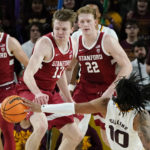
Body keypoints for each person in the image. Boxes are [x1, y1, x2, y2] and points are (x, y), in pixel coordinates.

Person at [23, 75, 150, 150]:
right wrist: (41, 108)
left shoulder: (106, 105)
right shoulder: (140, 115)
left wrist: (42, 108)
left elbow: (73, 107)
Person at [16, 9, 83, 150]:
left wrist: (68, 98)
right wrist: (37, 93)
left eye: (64, 29)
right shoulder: (45, 44)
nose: (59, 32)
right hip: (29, 89)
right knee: (41, 127)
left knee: (75, 136)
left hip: (49, 93)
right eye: (56, 28)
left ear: (72, 29)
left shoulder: (74, 45)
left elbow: (59, 73)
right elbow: (28, 74)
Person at [66, 6, 132, 147]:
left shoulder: (107, 39)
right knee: (72, 129)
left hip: (105, 89)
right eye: (81, 21)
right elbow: (69, 67)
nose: (85, 25)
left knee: (108, 138)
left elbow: (127, 66)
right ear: (77, 23)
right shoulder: (76, 40)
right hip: (84, 88)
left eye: (88, 21)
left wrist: (111, 90)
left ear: (96, 22)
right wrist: (67, 88)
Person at [0, 32, 29, 150]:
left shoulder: (9, 41)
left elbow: (29, 65)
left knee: (7, 132)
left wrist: (24, 87)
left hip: (7, 91)